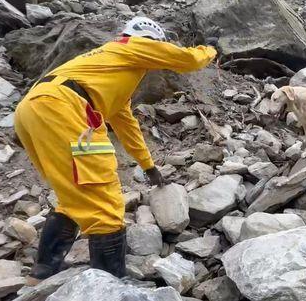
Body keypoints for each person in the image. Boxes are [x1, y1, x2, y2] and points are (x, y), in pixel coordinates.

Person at [14, 16, 217, 284]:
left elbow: (127, 126)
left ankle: (42, 273)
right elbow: (187, 59)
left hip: (32, 109)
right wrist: (211, 50)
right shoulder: (130, 45)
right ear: (150, 41)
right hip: (65, 108)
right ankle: (110, 285)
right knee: (105, 202)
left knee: (74, 193)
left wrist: (149, 166)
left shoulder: (110, 75)